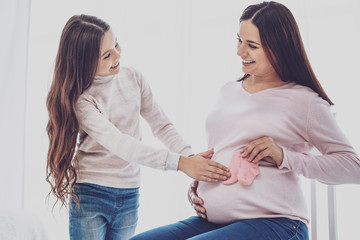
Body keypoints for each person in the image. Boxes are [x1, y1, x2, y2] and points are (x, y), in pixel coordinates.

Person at [130, 1, 360, 240]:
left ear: (279, 48)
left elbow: (353, 168)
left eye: (252, 45)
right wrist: (202, 185)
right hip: (213, 222)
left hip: (276, 223)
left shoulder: (305, 101)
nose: (240, 52)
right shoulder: (228, 90)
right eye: (239, 40)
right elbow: (226, 150)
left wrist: (285, 157)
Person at [45, 14, 230, 240]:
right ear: (84, 61)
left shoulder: (133, 77)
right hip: (91, 194)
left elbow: (161, 125)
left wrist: (190, 157)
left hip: (129, 194)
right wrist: (181, 164)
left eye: (116, 44)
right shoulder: (83, 101)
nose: (118, 54)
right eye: (107, 55)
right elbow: (121, 144)